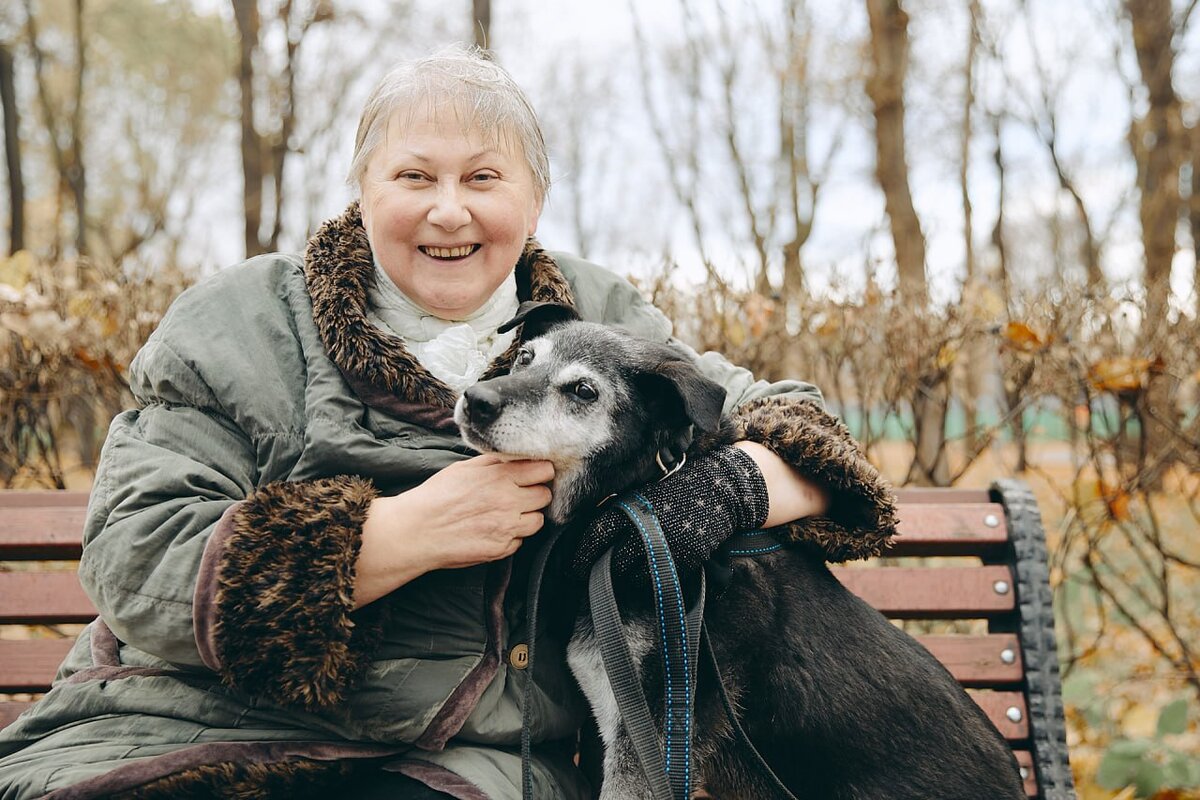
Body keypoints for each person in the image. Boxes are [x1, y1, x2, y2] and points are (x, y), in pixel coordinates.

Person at [0, 46, 894, 799]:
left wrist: (734, 485)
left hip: (465, 767)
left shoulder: (600, 319)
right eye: (413, 176)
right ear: (363, 190)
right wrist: (393, 535)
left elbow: (802, 430)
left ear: (532, 200)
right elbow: (137, 554)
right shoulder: (239, 323)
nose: (449, 209)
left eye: (484, 178)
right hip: (186, 735)